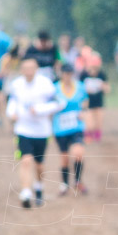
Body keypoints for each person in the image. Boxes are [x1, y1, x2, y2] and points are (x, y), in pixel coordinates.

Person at [6, 58, 60, 208]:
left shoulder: (46, 85)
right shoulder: (16, 85)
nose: (28, 71)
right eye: (25, 68)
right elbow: (12, 102)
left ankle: (39, 187)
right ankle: (25, 192)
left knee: (39, 164)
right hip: (23, 129)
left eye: (31, 68)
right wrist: (11, 113)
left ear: (36, 69)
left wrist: (40, 110)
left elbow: (58, 103)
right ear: (21, 70)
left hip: (42, 131)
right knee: (26, 160)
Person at [52, 65, 88, 195]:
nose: (67, 76)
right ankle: (65, 184)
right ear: (61, 74)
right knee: (64, 158)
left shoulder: (80, 86)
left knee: (78, 153)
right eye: (65, 74)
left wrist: (83, 111)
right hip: (60, 128)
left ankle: (78, 181)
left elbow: (85, 101)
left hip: (76, 126)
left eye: (69, 73)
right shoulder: (54, 88)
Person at [80, 54, 109, 143]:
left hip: (98, 101)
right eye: (93, 67)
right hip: (87, 101)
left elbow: (107, 89)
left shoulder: (101, 75)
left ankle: (97, 137)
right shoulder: (84, 75)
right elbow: (79, 88)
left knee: (99, 121)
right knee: (89, 122)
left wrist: (103, 87)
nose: (94, 70)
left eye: (96, 68)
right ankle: (88, 136)